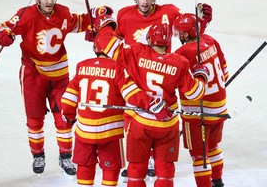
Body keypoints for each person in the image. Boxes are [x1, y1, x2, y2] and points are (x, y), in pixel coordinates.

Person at [0, 0, 108, 176]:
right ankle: (38, 155)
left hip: (60, 75)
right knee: (35, 119)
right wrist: (2, 35)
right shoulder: (26, 14)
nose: (50, 2)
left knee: (64, 117)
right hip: (33, 74)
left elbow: (79, 22)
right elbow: (1, 28)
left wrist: (95, 15)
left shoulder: (62, 12)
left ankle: (65, 157)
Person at [92, 14, 209, 187]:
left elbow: (106, 43)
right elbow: (195, 93)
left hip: (140, 123)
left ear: (149, 39)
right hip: (167, 126)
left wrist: (106, 23)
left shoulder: (136, 52)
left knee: (136, 169)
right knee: (165, 172)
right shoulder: (180, 62)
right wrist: (201, 76)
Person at [60, 39, 170, 186]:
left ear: (95, 49)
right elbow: (132, 94)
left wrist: (68, 116)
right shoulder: (118, 68)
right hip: (109, 134)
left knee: (85, 167)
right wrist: (153, 104)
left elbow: (68, 98)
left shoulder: (82, 67)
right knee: (110, 169)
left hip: (84, 132)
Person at [173, 13, 229, 187]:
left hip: (197, 114)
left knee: (199, 155)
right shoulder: (210, 41)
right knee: (213, 147)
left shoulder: (181, 53)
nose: (178, 35)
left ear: (186, 34)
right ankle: (218, 181)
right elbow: (225, 73)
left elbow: (174, 84)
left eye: (180, 32)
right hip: (220, 109)